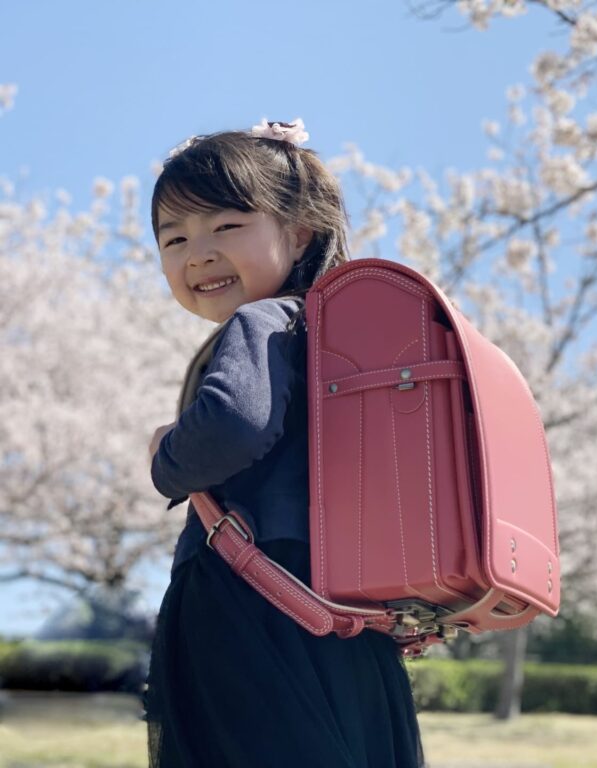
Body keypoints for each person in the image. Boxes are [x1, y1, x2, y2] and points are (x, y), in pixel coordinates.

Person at [143, 119, 426, 768]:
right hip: (337, 609)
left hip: (245, 614)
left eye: (226, 226)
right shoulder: (332, 341)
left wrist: (166, 458)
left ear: (298, 231)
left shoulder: (265, 319)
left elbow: (233, 424)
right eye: (174, 238)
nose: (198, 253)